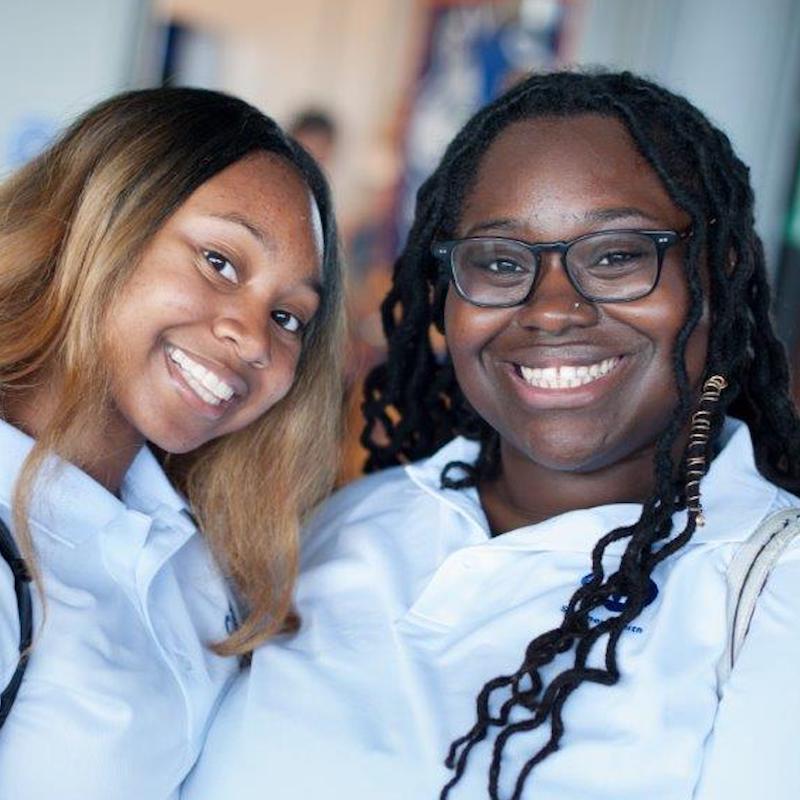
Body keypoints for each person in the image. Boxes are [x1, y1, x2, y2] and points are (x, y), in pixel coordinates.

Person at [183, 70, 800, 800]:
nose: (553, 310)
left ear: (720, 272)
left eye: (617, 255)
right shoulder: (337, 525)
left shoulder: (771, 592)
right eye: (501, 262)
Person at [0, 87, 345, 799]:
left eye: (288, 316)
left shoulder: (196, 546)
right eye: (220, 262)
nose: (253, 339)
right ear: (99, 223)